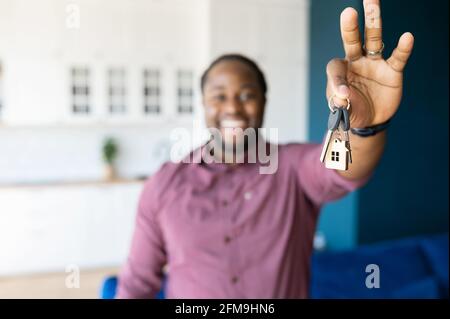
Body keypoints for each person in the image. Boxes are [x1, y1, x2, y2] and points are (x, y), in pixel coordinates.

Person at [117, 0, 414, 298]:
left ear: (263, 102)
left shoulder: (291, 168)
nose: (232, 107)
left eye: (247, 95)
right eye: (219, 96)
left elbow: (344, 170)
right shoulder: (164, 184)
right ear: (204, 105)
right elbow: (137, 283)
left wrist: (364, 125)